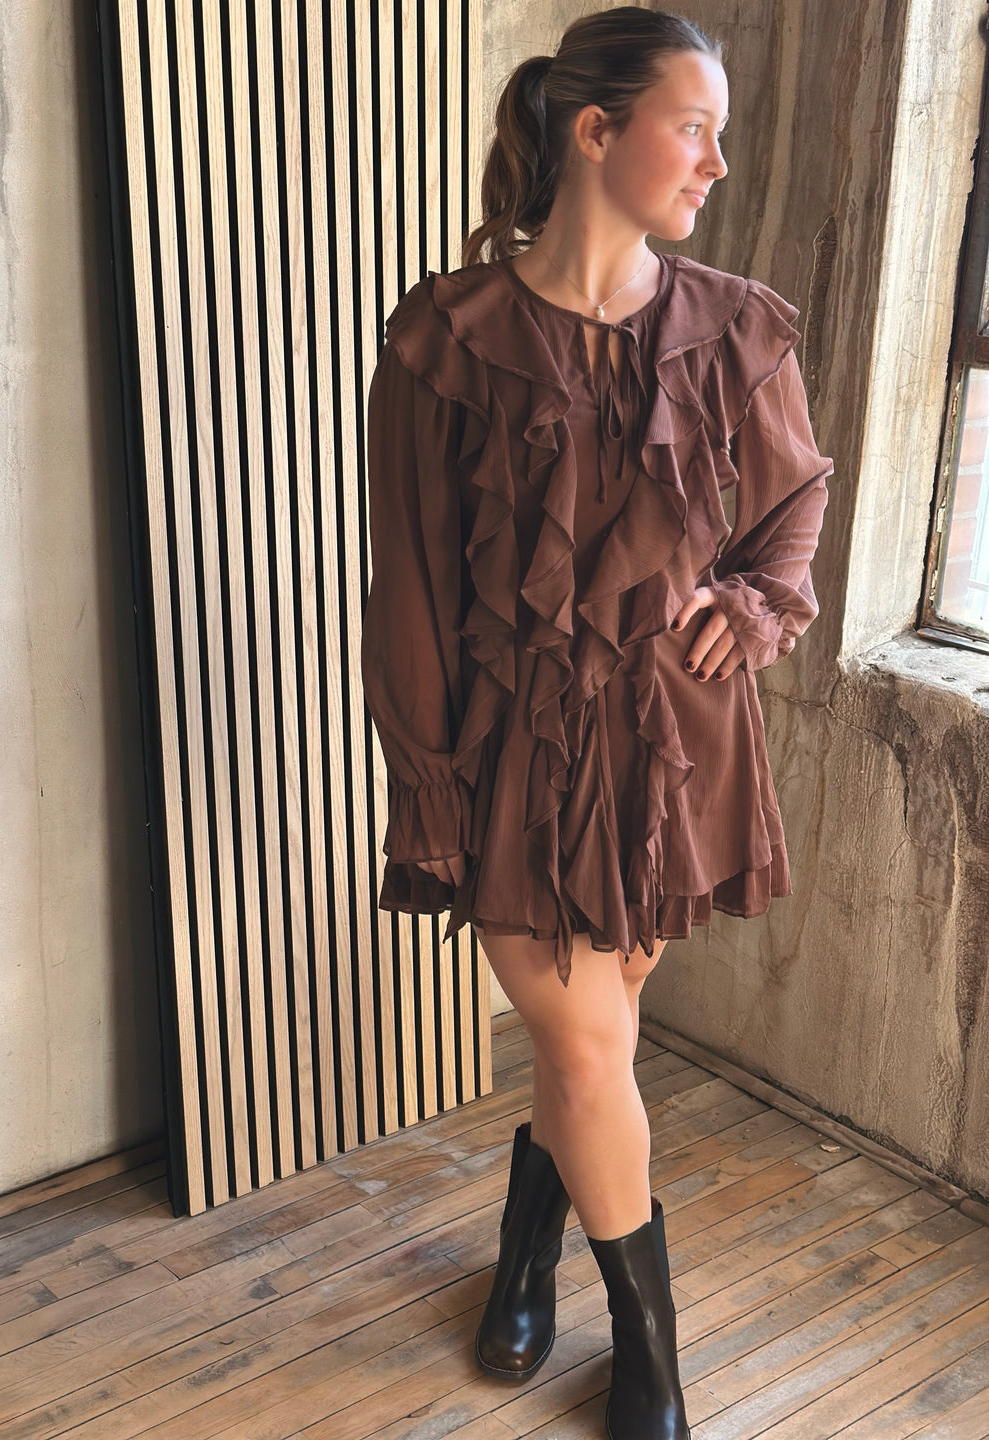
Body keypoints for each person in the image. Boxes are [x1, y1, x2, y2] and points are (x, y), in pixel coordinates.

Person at [360, 8, 833, 1438]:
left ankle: (527, 1242)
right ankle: (652, 1361)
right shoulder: (445, 339)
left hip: (674, 747)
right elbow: (410, 589)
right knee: (585, 1051)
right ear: (595, 129)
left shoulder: (735, 324)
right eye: (695, 129)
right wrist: (430, 787)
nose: (717, 164)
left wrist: (751, 606)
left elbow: (796, 498)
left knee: (594, 1050)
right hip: (508, 753)